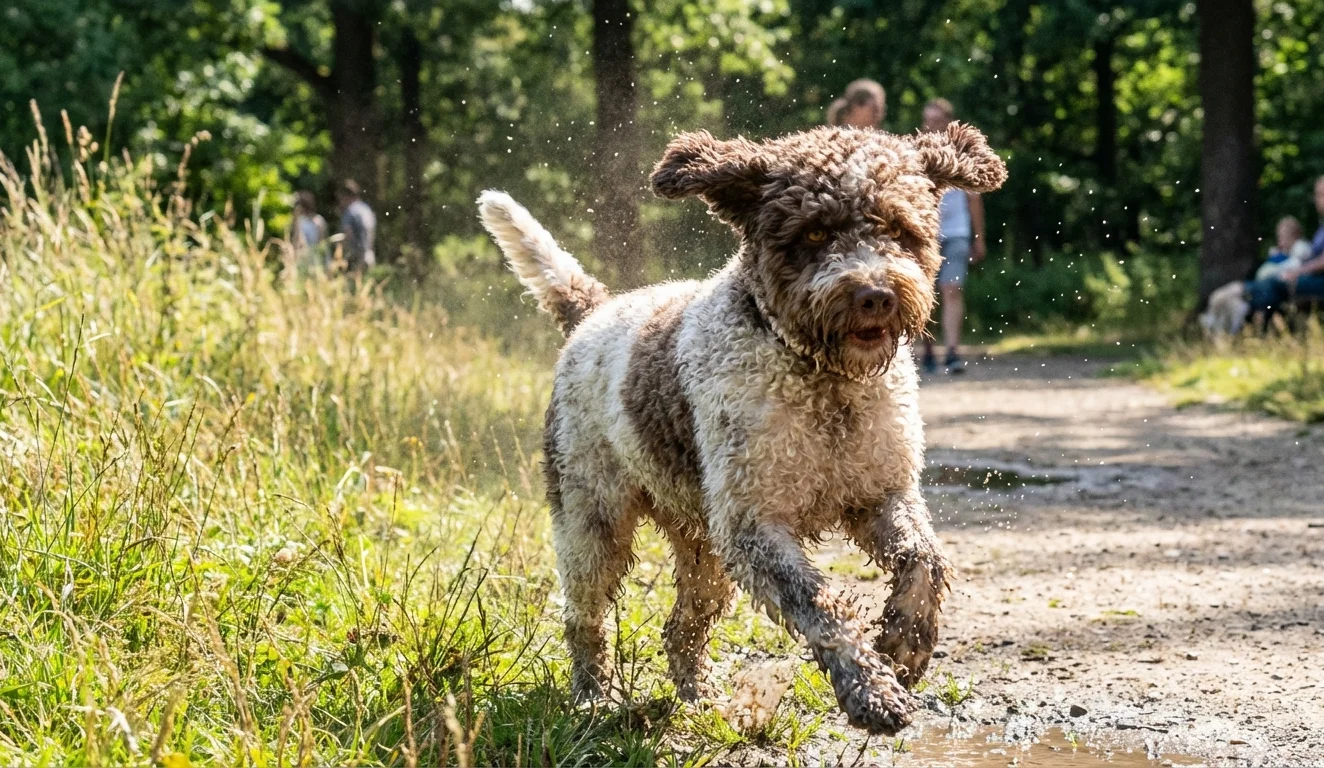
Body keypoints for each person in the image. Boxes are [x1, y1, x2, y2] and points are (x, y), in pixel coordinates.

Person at [920, 98, 987, 374]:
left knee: (952, 288)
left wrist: (979, 237)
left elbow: (974, 199)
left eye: (937, 120)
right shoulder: (918, 153)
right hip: (925, 234)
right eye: (928, 120)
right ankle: (926, 351)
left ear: (947, 121)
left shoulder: (961, 154)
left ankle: (952, 351)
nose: (932, 125)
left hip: (957, 232)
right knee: (924, 295)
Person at [1202, 216, 1311, 336]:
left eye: (1283, 236)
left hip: (1266, 289)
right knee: (1226, 301)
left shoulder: (1300, 250)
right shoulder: (1286, 254)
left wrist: (1277, 259)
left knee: (1219, 298)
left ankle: (1218, 331)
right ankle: (1220, 332)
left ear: (1295, 235)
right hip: (1262, 287)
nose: (1280, 241)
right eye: (1279, 236)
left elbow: (1289, 270)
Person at [1244, 175, 1324, 322]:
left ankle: (1256, 320)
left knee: (1273, 284)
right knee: (1268, 283)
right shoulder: (1321, 228)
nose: (1317, 200)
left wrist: (1298, 271)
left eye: (1321, 194)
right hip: (1312, 277)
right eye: (1317, 195)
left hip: (1319, 281)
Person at [335, 179, 377, 272]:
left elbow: (347, 234)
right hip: (369, 256)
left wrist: (340, 257)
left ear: (346, 196)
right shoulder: (366, 209)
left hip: (355, 259)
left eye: (340, 198)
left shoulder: (350, 212)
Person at [291, 190, 327, 271]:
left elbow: (297, 241)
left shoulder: (301, 221)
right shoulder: (319, 220)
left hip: (309, 258)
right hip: (312, 258)